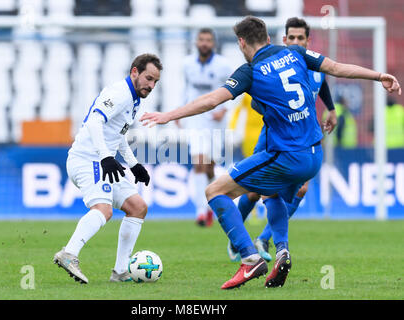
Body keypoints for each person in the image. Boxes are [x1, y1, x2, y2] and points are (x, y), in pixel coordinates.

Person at [140, 16, 400, 290]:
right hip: (314, 154)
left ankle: (249, 257)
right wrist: (378, 75)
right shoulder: (295, 52)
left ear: (242, 42)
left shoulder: (250, 71)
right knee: (270, 192)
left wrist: (168, 115)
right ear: (267, 36)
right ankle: (282, 251)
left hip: (286, 155)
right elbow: (335, 68)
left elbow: (212, 100)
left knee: (215, 191)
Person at [227, 17, 338, 263]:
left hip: (303, 140)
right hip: (275, 136)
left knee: (300, 188)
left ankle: (265, 239)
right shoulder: (276, 66)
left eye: (301, 38)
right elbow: (258, 100)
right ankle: (237, 239)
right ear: (284, 40)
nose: (296, 41)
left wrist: (330, 108)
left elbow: (323, 83)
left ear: (308, 41)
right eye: (292, 38)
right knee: (256, 190)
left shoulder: (313, 66)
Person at [53, 54, 162, 284]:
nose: (151, 86)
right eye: (148, 78)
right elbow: (94, 122)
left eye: (155, 82)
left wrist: (133, 164)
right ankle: (68, 254)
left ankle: (121, 271)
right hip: (87, 159)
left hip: (101, 160)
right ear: (135, 72)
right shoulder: (119, 94)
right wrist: (105, 157)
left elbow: (117, 134)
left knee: (137, 207)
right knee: (104, 209)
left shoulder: (134, 99)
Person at [180, 28, 233, 227]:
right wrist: (181, 110)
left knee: (210, 166)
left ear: (214, 43)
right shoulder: (187, 64)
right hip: (195, 118)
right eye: (201, 39)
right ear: (196, 42)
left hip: (215, 120)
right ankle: (201, 212)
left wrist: (225, 109)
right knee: (199, 163)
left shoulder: (223, 65)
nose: (204, 43)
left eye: (208, 40)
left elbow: (234, 89)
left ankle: (212, 203)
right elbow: (186, 88)